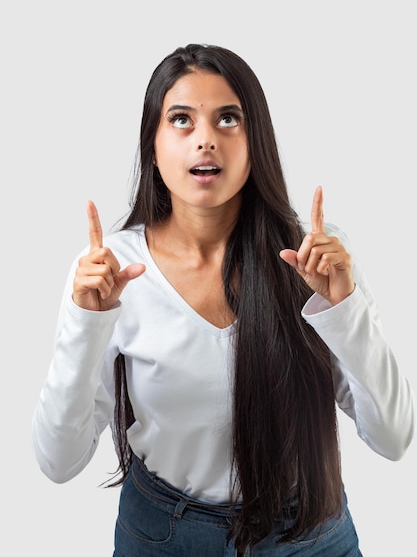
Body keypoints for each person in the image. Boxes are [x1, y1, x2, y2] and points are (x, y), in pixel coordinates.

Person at [32, 43, 414, 556]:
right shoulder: (112, 270)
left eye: (228, 118)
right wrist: (87, 322)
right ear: (153, 144)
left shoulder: (313, 260)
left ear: (255, 139)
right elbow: (59, 462)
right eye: (182, 120)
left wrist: (342, 309)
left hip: (309, 535)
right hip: (164, 535)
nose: (206, 139)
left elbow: (392, 439)